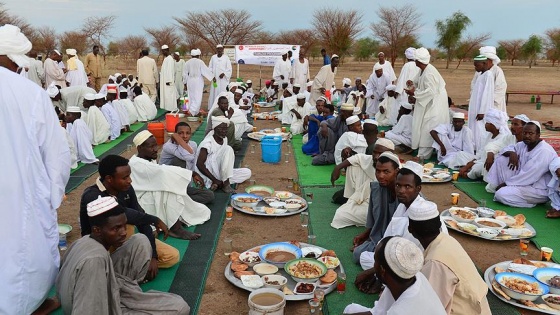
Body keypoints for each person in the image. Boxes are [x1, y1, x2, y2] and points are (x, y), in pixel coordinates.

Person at [0, 24, 71, 314]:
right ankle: (24, 304)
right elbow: (57, 154)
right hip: (20, 190)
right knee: (23, 246)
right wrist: (53, 194)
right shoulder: (30, 93)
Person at [57, 197, 190, 314]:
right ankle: (128, 295)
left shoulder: (82, 241)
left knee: (140, 240)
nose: (123, 233)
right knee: (179, 307)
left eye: (124, 226)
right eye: (116, 228)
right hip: (95, 305)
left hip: (101, 287)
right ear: (97, 230)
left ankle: (128, 291)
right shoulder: (95, 260)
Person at [80, 155, 180, 280]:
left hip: (122, 240)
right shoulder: (92, 195)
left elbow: (141, 219)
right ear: (109, 179)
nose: (130, 181)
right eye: (125, 177)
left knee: (172, 256)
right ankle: (117, 272)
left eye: (129, 176)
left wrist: (153, 256)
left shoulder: (126, 188)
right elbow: (126, 214)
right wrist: (154, 219)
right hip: (101, 247)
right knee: (127, 225)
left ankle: (128, 269)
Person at [408, 200, 491, 314]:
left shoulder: (435, 262)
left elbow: (430, 307)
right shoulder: (447, 240)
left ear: (410, 229)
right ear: (439, 224)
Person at [130, 130, 211, 239]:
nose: (156, 149)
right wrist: (192, 173)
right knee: (168, 188)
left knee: (202, 199)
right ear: (139, 148)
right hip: (144, 200)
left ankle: (175, 217)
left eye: (156, 145)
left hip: (156, 193)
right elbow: (162, 172)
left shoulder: (148, 159)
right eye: (151, 147)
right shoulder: (137, 163)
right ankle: (175, 229)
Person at [343, 236, 446, 315]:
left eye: (375, 261)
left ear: (383, 270)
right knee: (350, 309)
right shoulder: (413, 276)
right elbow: (379, 312)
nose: (373, 267)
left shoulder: (399, 311)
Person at [486, 122, 557, 207]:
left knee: (501, 194)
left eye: (531, 133)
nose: (527, 136)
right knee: (502, 159)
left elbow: (529, 175)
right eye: (525, 133)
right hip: (523, 183)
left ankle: (531, 202)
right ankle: (511, 190)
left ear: (538, 135)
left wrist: (506, 184)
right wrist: (512, 153)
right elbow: (507, 148)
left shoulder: (544, 151)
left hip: (539, 189)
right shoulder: (523, 144)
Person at [330, 140, 395, 229]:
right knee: (354, 165)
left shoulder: (397, 170)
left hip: (382, 208)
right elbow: (357, 158)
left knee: (341, 215)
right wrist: (338, 168)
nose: (376, 157)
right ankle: (352, 199)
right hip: (366, 198)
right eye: (374, 153)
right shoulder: (372, 160)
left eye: (380, 153)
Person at [352, 152, 401, 262]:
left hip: (400, 242)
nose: (380, 176)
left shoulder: (404, 193)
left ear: (396, 172)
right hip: (381, 239)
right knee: (358, 254)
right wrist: (365, 235)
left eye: (386, 172)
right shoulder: (376, 189)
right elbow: (375, 220)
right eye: (378, 171)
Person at [406, 47, 450, 158]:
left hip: (435, 103)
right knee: (423, 124)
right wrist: (412, 83)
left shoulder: (429, 72)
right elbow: (418, 80)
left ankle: (423, 155)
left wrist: (414, 93)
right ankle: (423, 152)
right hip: (428, 101)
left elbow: (431, 91)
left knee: (428, 125)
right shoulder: (423, 69)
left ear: (418, 61)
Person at [159, 122, 215, 204]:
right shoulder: (168, 146)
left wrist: (193, 175)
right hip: (168, 185)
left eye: (188, 133)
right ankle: (176, 199)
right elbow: (187, 156)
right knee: (179, 160)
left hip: (183, 185)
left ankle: (177, 201)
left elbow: (192, 163)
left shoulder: (193, 145)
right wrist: (178, 139)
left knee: (209, 195)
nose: (185, 136)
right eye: (180, 133)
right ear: (176, 134)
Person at [196, 116, 251, 193]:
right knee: (228, 149)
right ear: (214, 129)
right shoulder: (207, 143)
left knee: (247, 172)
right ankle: (224, 184)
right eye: (220, 129)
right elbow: (199, 164)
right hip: (209, 174)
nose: (224, 131)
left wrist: (218, 179)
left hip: (220, 172)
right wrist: (214, 179)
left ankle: (220, 183)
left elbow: (224, 162)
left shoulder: (225, 139)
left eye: (225, 129)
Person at [459, 109, 510, 180]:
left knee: (477, 169)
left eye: (487, 123)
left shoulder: (503, 137)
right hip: (482, 161)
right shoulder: (489, 135)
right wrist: (470, 163)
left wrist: (471, 165)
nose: (485, 125)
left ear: (493, 125)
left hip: (493, 164)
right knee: (463, 156)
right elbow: (481, 152)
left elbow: (493, 159)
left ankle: (468, 175)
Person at [468, 55, 495, 151]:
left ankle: (480, 150)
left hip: (481, 110)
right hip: (476, 108)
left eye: (477, 65)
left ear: (484, 63)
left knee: (480, 130)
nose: (475, 68)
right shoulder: (481, 75)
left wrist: (482, 111)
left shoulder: (488, 75)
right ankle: (474, 148)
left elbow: (486, 94)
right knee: (474, 129)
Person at [183, 48, 212, 116]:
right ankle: (192, 111)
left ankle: (193, 110)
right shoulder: (200, 62)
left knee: (191, 96)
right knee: (197, 96)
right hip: (198, 81)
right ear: (198, 55)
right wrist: (212, 78)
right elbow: (205, 71)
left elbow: (184, 74)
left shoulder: (187, 62)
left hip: (190, 81)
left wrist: (185, 83)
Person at [480, 46, 507, 112]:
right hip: (480, 101)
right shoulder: (479, 71)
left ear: (490, 60)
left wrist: (489, 100)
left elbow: (500, 88)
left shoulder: (497, 70)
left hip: (493, 103)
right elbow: (474, 85)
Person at [208, 44, 232, 110]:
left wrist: (224, 74)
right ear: (216, 49)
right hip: (215, 79)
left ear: (222, 49)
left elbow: (229, 68)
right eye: (218, 49)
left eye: (221, 49)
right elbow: (210, 68)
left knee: (223, 92)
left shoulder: (226, 58)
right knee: (214, 92)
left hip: (223, 80)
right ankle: (213, 107)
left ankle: (224, 107)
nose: (219, 50)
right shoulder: (213, 57)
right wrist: (212, 77)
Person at [159, 45, 178, 111]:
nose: (163, 52)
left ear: (167, 50)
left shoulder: (169, 59)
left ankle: (172, 109)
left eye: (163, 51)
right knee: (166, 96)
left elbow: (170, 70)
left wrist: (169, 81)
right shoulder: (166, 58)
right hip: (165, 81)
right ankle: (169, 109)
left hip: (168, 82)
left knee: (169, 96)